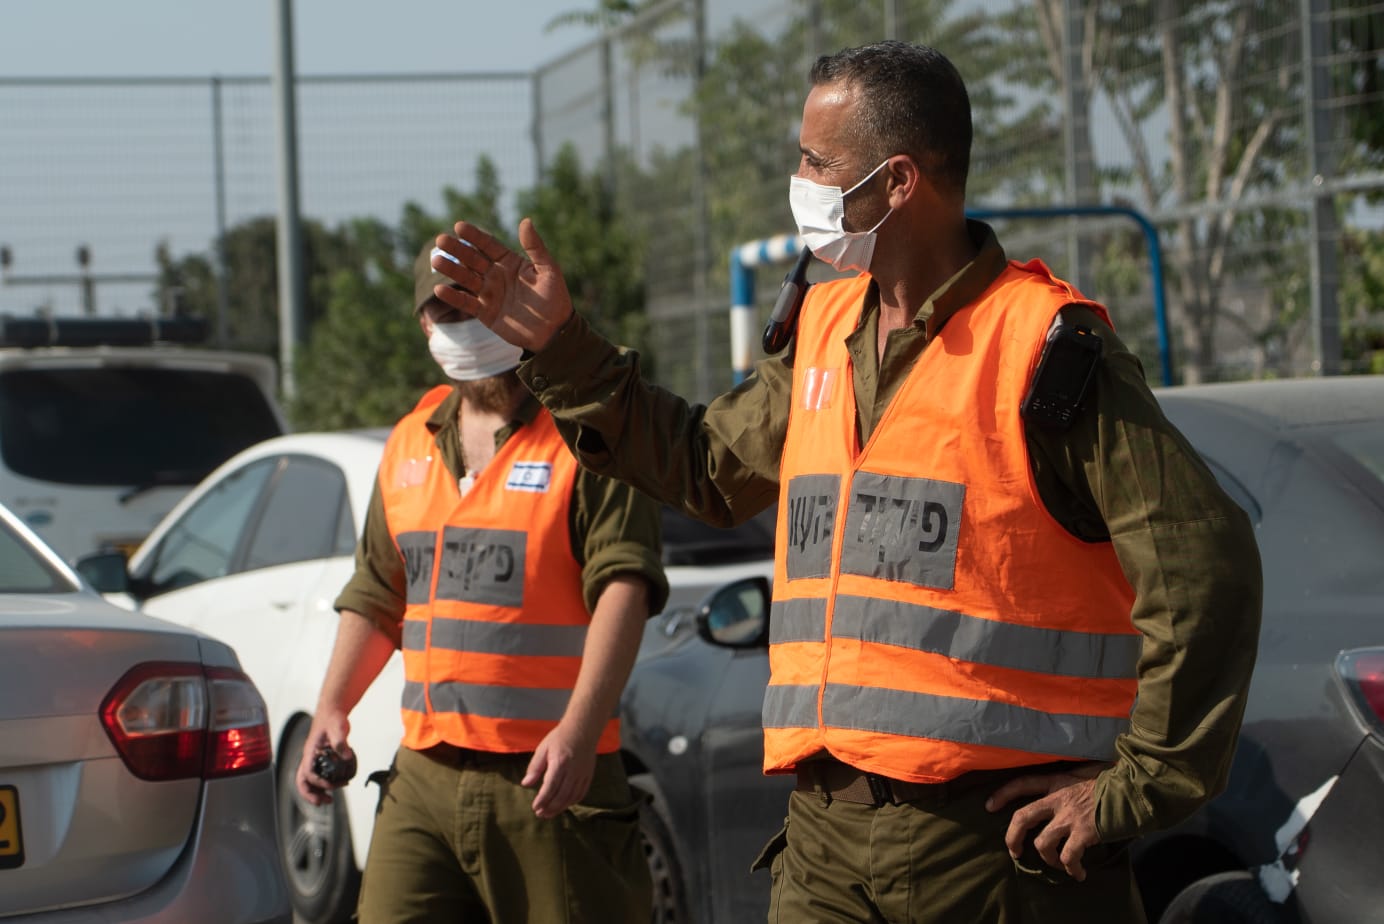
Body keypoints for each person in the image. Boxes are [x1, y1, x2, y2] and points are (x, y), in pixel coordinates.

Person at [428, 40, 1263, 924]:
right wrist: (562, 349)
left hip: (992, 858)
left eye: (817, 162)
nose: (800, 180)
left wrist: (1140, 785)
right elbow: (709, 468)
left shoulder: (1045, 345)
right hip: (824, 842)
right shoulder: (825, 327)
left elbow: (1202, 564)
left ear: (898, 182)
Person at [294, 240, 669, 924]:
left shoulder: (587, 429)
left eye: (477, 303)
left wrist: (580, 732)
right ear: (423, 326)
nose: (465, 323)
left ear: (515, 304)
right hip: (426, 776)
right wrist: (332, 708)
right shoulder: (410, 441)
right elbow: (378, 593)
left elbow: (626, 585)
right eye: (446, 309)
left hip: (550, 777)